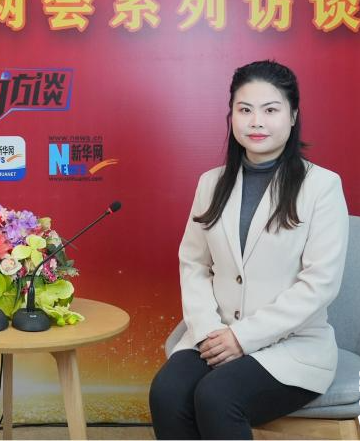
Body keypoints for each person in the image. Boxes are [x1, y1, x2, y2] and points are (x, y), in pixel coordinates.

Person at [150, 60, 349, 439]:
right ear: (232, 117)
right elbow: (193, 263)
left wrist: (243, 338)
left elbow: (319, 284)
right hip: (215, 333)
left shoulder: (321, 186)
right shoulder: (211, 183)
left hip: (291, 345)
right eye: (245, 110)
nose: (256, 122)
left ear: (293, 116)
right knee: (167, 393)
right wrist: (209, 331)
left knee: (217, 396)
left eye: (270, 110)